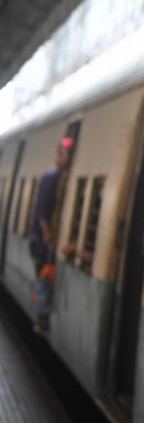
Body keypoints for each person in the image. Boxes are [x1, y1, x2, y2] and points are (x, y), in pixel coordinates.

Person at [28, 136, 74, 333]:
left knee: (44, 278)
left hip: (45, 241)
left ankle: (42, 315)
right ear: (57, 157)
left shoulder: (62, 180)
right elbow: (41, 212)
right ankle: (41, 318)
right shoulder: (50, 179)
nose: (66, 159)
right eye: (64, 155)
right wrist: (47, 234)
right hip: (40, 241)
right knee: (43, 279)